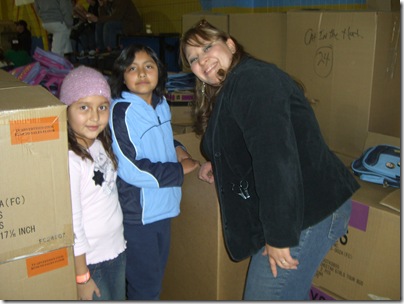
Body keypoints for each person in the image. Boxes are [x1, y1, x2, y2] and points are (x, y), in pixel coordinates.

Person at [179, 19, 360, 301]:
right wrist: (221, 162)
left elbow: (275, 155)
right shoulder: (232, 88)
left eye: (207, 47)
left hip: (307, 210)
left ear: (230, 44)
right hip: (294, 208)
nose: (202, 60)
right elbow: (250, 140)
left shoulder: (252, 79)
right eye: (193, 58)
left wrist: (279, 237)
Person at [108, 44, 200, 300]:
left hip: (163, 207)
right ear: (122, 76)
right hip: (139, 215)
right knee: (145, 288)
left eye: (148, 66)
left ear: (159, 71)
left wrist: (179, 149)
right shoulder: (120, 112)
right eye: (132, 68)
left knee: (154, 280)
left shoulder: (160, 104)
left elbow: (164, 141)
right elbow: (131, 167)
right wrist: (178, 171)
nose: (141, 73)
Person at [59, 66, 126, 301]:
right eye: (84, 107)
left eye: (102, 107)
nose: (95, 117)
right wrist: (82, 277)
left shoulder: (99, 144)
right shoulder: (70, 159)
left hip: (116, 250)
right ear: (66, 110)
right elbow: (73, 224)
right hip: (91, 261)